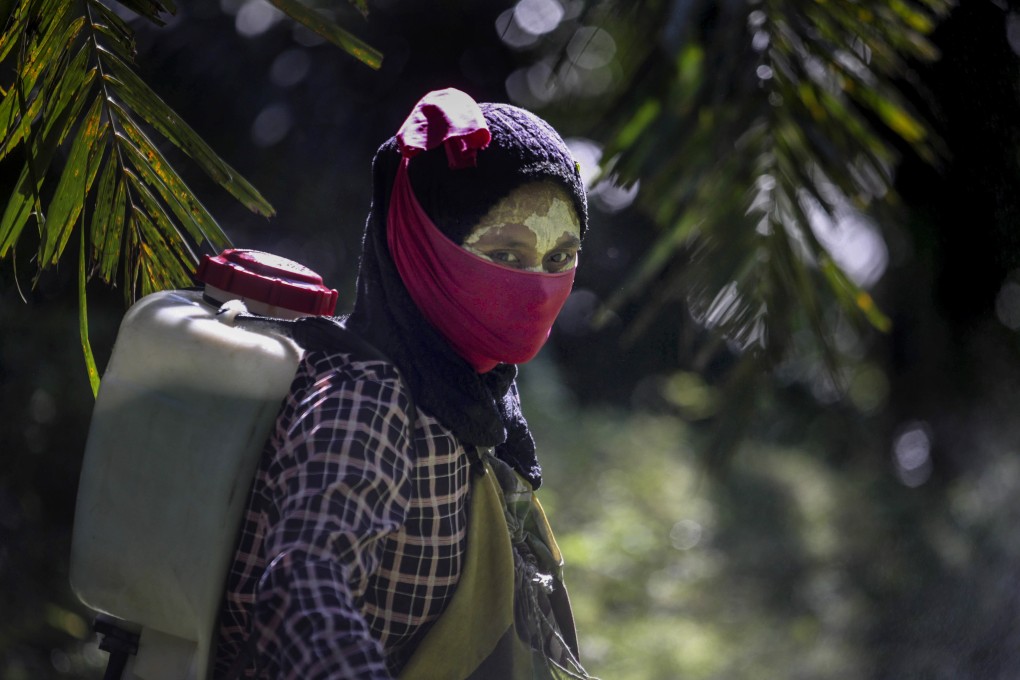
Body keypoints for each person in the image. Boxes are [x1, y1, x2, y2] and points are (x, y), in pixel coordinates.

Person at [214, 88, 594, 680]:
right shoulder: (366, 397)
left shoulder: (473, 388)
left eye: (560, 258)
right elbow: (303, 583)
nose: (538, 287)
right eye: (507, 255)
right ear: (421, 246)